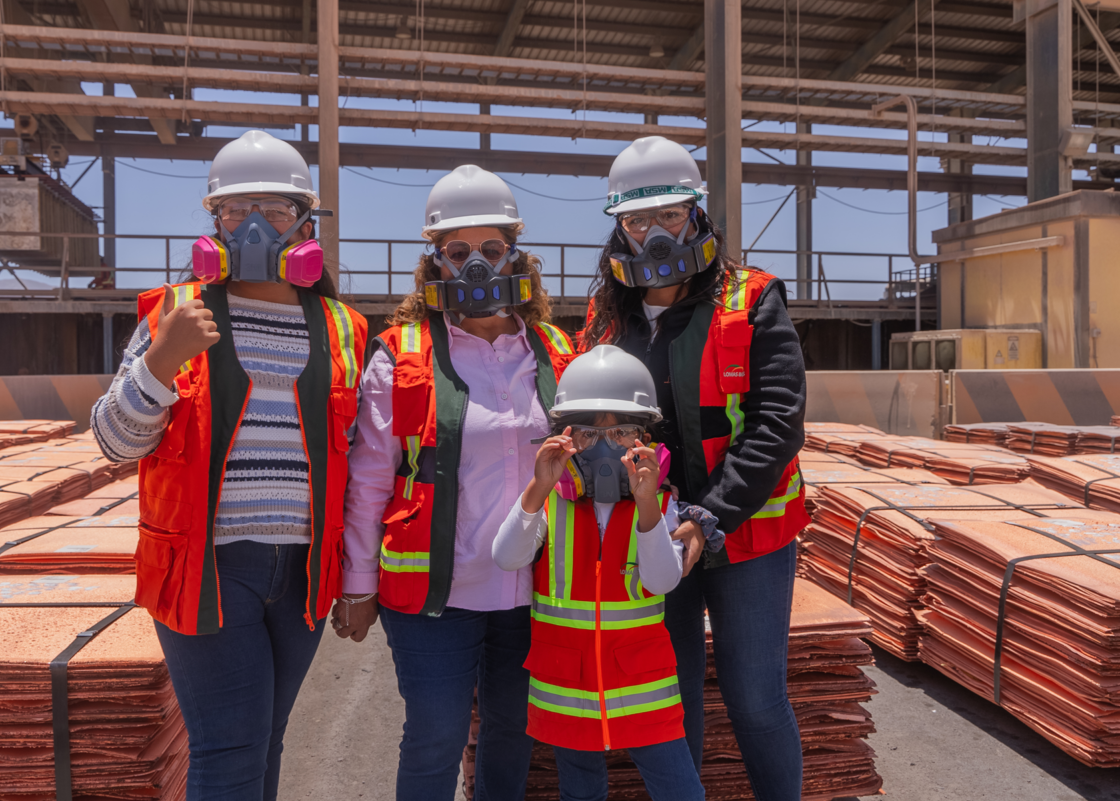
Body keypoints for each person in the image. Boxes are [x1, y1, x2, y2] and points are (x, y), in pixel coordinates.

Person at [91, 129, 367, 801]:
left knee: (265, 741)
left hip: (302, 571)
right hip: (206, 567)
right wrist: (159, 360)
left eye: (273, 210)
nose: (252, 225)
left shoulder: (342, 326)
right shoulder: (175, 313)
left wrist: (358, 577)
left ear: (305, 221)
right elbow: (111, 440)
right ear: (213, 219)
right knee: (230, 749)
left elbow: (361, 461)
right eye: (234, 209)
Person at [578, 135, 809, 800]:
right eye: (636, 221)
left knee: (756, 696)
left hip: (748, 534)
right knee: (670, 698)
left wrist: (710, 517)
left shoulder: (753, 298)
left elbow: (777, 423)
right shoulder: (605, 316)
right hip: (652, 532)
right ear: (618, 227)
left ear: (697, 213)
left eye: (668, 216)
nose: (653, 234)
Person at [336, 164, 575, 801]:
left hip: (535, 590)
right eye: (458, 250)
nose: (477, 265)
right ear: (435, 262)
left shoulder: (556, 350)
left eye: (492, 250)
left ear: (517, 257)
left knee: (513, 731)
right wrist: (358, 585)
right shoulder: (400, 354)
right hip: (435, 596)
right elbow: (368, 482)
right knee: (436, 735)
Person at [493, 345, 705, 801]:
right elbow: (507, 555)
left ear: (645, 439)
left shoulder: (661, 507)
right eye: (589, 434)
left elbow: (663, 581)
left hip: (644, 689)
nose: (607, 445)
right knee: (580, 789)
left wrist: (647, 502)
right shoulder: (550, 504)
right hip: (567, 687)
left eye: (625, 431)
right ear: (565, 438)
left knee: (679, 789)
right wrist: (538, 486)